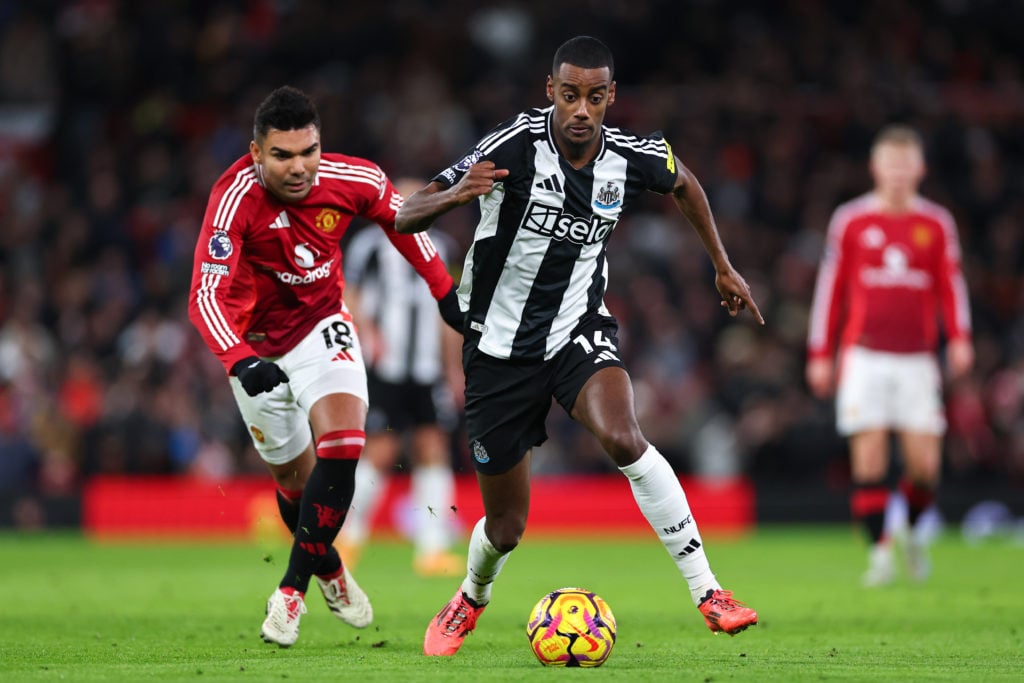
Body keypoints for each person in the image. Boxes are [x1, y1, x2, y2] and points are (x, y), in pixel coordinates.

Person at [395, 36, 763, 657]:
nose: (582, 110)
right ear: (551, 92)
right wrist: (456, 195)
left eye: (595, 97)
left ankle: (710, 592)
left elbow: (684, 182)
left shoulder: (629, 157)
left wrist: (722, 267)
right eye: (570, 96)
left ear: (610, 97)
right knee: (507, 528)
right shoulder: (511, 145)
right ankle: (470, 596)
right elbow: (407, 213)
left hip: (577, 331)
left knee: (624, 437)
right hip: (496, 351)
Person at [187, 86, 463, 647]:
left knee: (344, 445)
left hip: (322, 325)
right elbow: (204, 297)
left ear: (320, 144)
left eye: (308, 151)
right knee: (293, 483)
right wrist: (240, 361)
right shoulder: (234, 199)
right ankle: (331, 571)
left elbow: (402, 219)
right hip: (257, 346)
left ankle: (290, 594)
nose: (298, 167)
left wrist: (443, 291)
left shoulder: (354, 179)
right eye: (282, 155)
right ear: (256, 152)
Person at [806, 124, 974, 586]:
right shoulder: (852, 221)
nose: (898, 174)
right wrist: (821, 352)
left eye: (906, 165)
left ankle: (914, 535)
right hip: (864, 357)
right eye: (890, 164)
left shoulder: (936, 223)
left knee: (924, 468)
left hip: (918, 359)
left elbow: (950, 284)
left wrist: (960, 337)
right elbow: (830, 291)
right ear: (875, 168)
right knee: (870, 460)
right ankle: (880, 555)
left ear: (919, 169)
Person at [338, 178, 465, 577]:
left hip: (427, 371)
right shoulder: (370, 245)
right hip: (385, 368)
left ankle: (432, 549)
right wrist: (368, 334)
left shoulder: (444, 247)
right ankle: (347, 539)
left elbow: (449, 310)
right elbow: (349, 295)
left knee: (433, 448)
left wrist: (453, 368)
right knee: (380, 452)